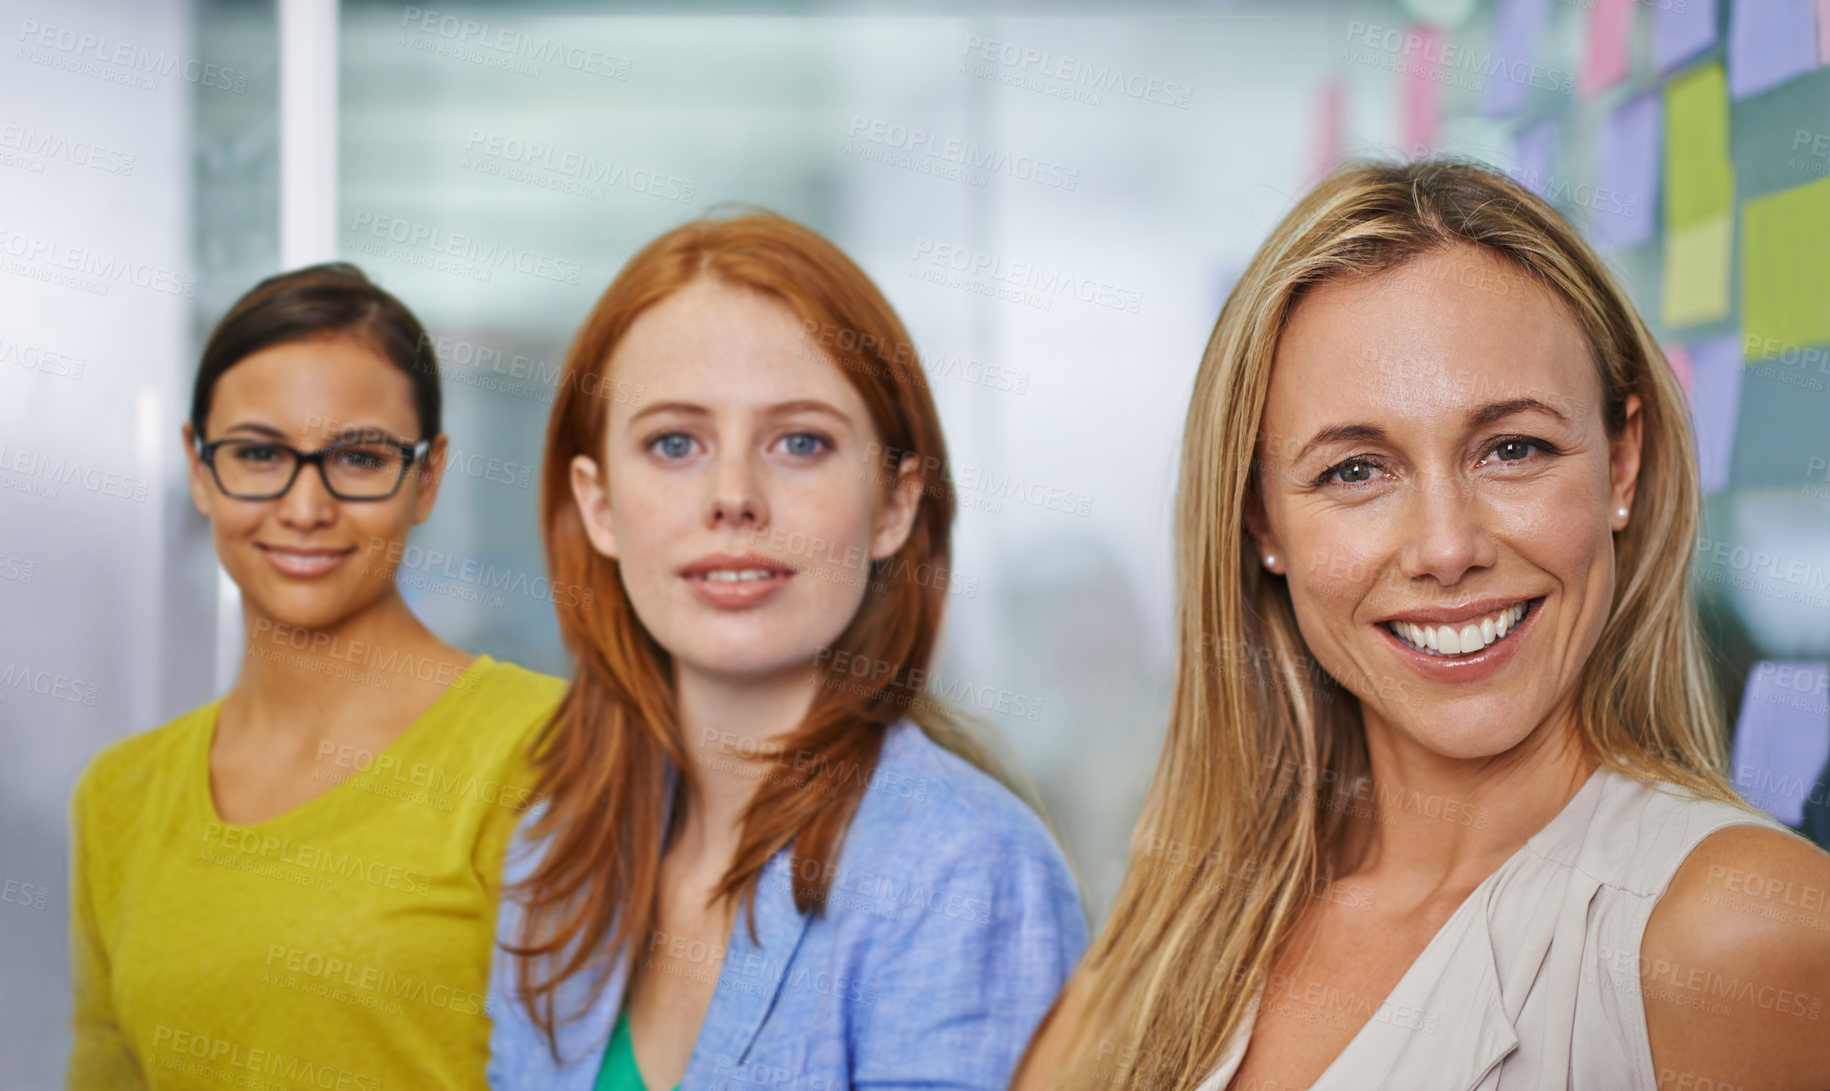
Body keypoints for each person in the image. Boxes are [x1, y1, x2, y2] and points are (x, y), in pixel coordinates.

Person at [1015, 160, 1830, 1090]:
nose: (1446, 548)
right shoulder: (1177, 936)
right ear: (1262, 525)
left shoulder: (1740, 936)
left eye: (1513, 448)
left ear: (1623, 463)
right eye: (1356, 470)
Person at [485, 211, 1087, 1090]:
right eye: (674, 443)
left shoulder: (965, 870)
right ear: (599, 504)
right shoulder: (557, 851)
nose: (733, 496)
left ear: (894, 503)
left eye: (800, 442)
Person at [68, 263, 566, 1089]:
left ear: (428, 477)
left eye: (360, 458)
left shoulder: (545, 748)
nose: (305, 507)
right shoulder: (121, 795)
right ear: (198, 467)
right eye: (258, 453)